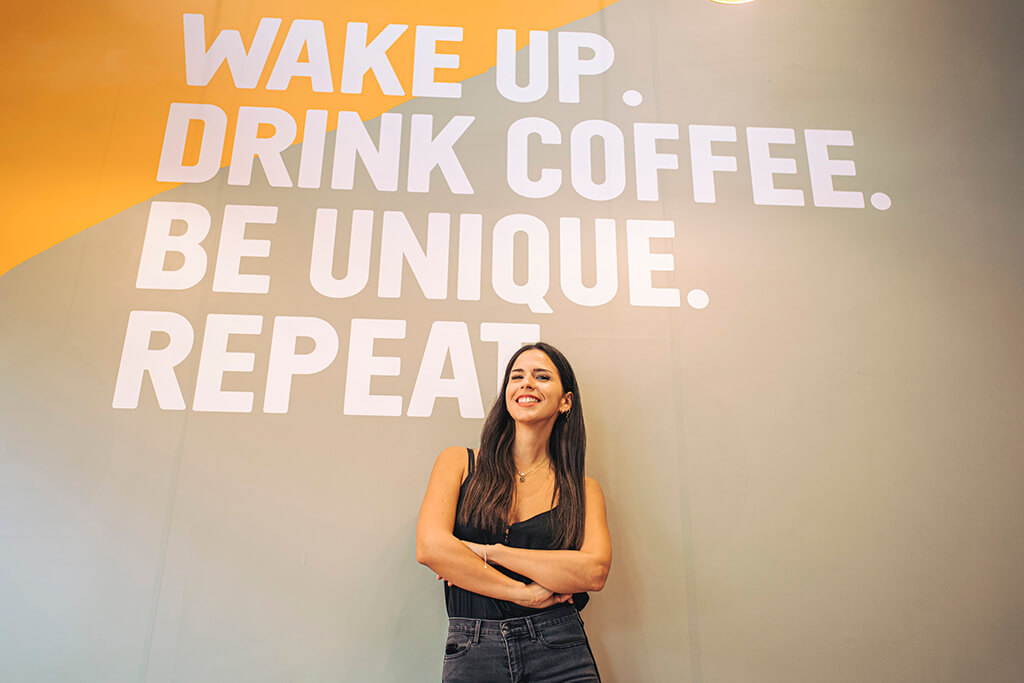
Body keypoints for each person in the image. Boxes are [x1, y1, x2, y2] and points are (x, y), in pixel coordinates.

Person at [417, 342, 612, 682]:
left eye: (542, 376)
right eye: (516, 376)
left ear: (565, 400)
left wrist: (486, 553)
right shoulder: (459, 463)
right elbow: (431, 549)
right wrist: (525, 594)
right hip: (473, 647)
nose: (526, 384)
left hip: (559, 646)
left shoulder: (583, 489)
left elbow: (593, 572)